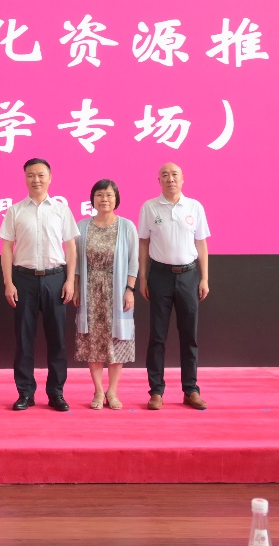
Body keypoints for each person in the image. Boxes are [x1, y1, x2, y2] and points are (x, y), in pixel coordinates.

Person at [0, 157, 79, 412]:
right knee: (24, 340)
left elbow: (71, 247)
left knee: (57, 340)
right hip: (24, 279)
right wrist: (9, 282)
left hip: (55, 279)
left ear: (50, 178)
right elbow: (6, 248)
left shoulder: (61, 210)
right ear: (25, 178)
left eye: (41, 175)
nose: (36, 180)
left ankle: (56, 393)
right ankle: (25, 393)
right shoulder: (15, 211)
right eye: (31, 175)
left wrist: (70, 280)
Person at [138, 162, 210, 411]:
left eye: (175, 175)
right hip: (160, 276)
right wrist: (143, 277)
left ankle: (191, 389)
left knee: (189, 336)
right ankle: (156, 391)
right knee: (157, 336)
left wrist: (204, 278)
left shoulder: (195, 207)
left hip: (189, 276)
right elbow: (143, 243)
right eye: (165, 175)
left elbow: (201, 243)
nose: (170, 179)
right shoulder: (149, 207)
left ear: (182, 179)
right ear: (158, 180)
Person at [74, 179, 138, 410]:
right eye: (99, 195)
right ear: (92, 199)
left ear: (116, 199)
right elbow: (76, 262)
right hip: (90, 290)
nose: (104, 199)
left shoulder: (127, 226)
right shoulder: (81, 227)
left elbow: (133, 261)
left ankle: (112, 391)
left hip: (117, 290)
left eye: (109, 195)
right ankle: (98, 391)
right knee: (93, 340)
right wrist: (76, 287)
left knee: (117, 340)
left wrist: (130, 289)